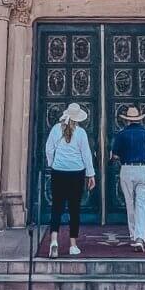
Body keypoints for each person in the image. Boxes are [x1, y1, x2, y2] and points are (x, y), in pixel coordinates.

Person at [44, 102, 95, 257]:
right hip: (76, 173)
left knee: (56, 207)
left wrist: (53, 163)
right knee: (74, 209)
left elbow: (49, 149)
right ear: (77, 118)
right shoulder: (80, 133)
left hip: (58, 172)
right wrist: (91, 174)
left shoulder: (55, 130)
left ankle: (54, 240)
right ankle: (73, 245)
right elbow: (86, 154)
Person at [110, 105, 145, 250]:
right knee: (142, 205)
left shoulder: (121, 134)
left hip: (127, 169)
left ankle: (133, 236)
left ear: (127, 120)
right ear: (138, 119)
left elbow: (115, 155)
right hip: (143, 169)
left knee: (130, 204)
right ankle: (139, 237)